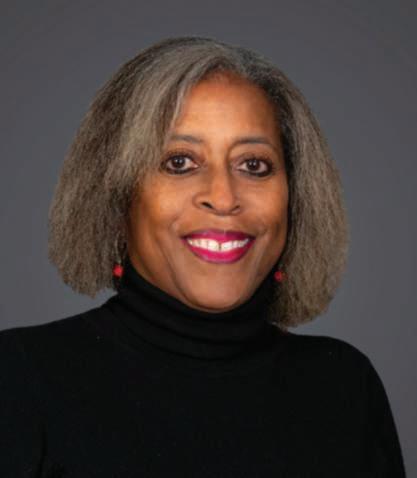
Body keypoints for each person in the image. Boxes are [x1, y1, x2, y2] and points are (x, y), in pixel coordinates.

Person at [0, 36, 406, 477]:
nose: (223, 197)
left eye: (253, 165)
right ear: (117, 199)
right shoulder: (19, 377)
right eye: (180, 162)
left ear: (295, 197)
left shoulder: (344, 388)